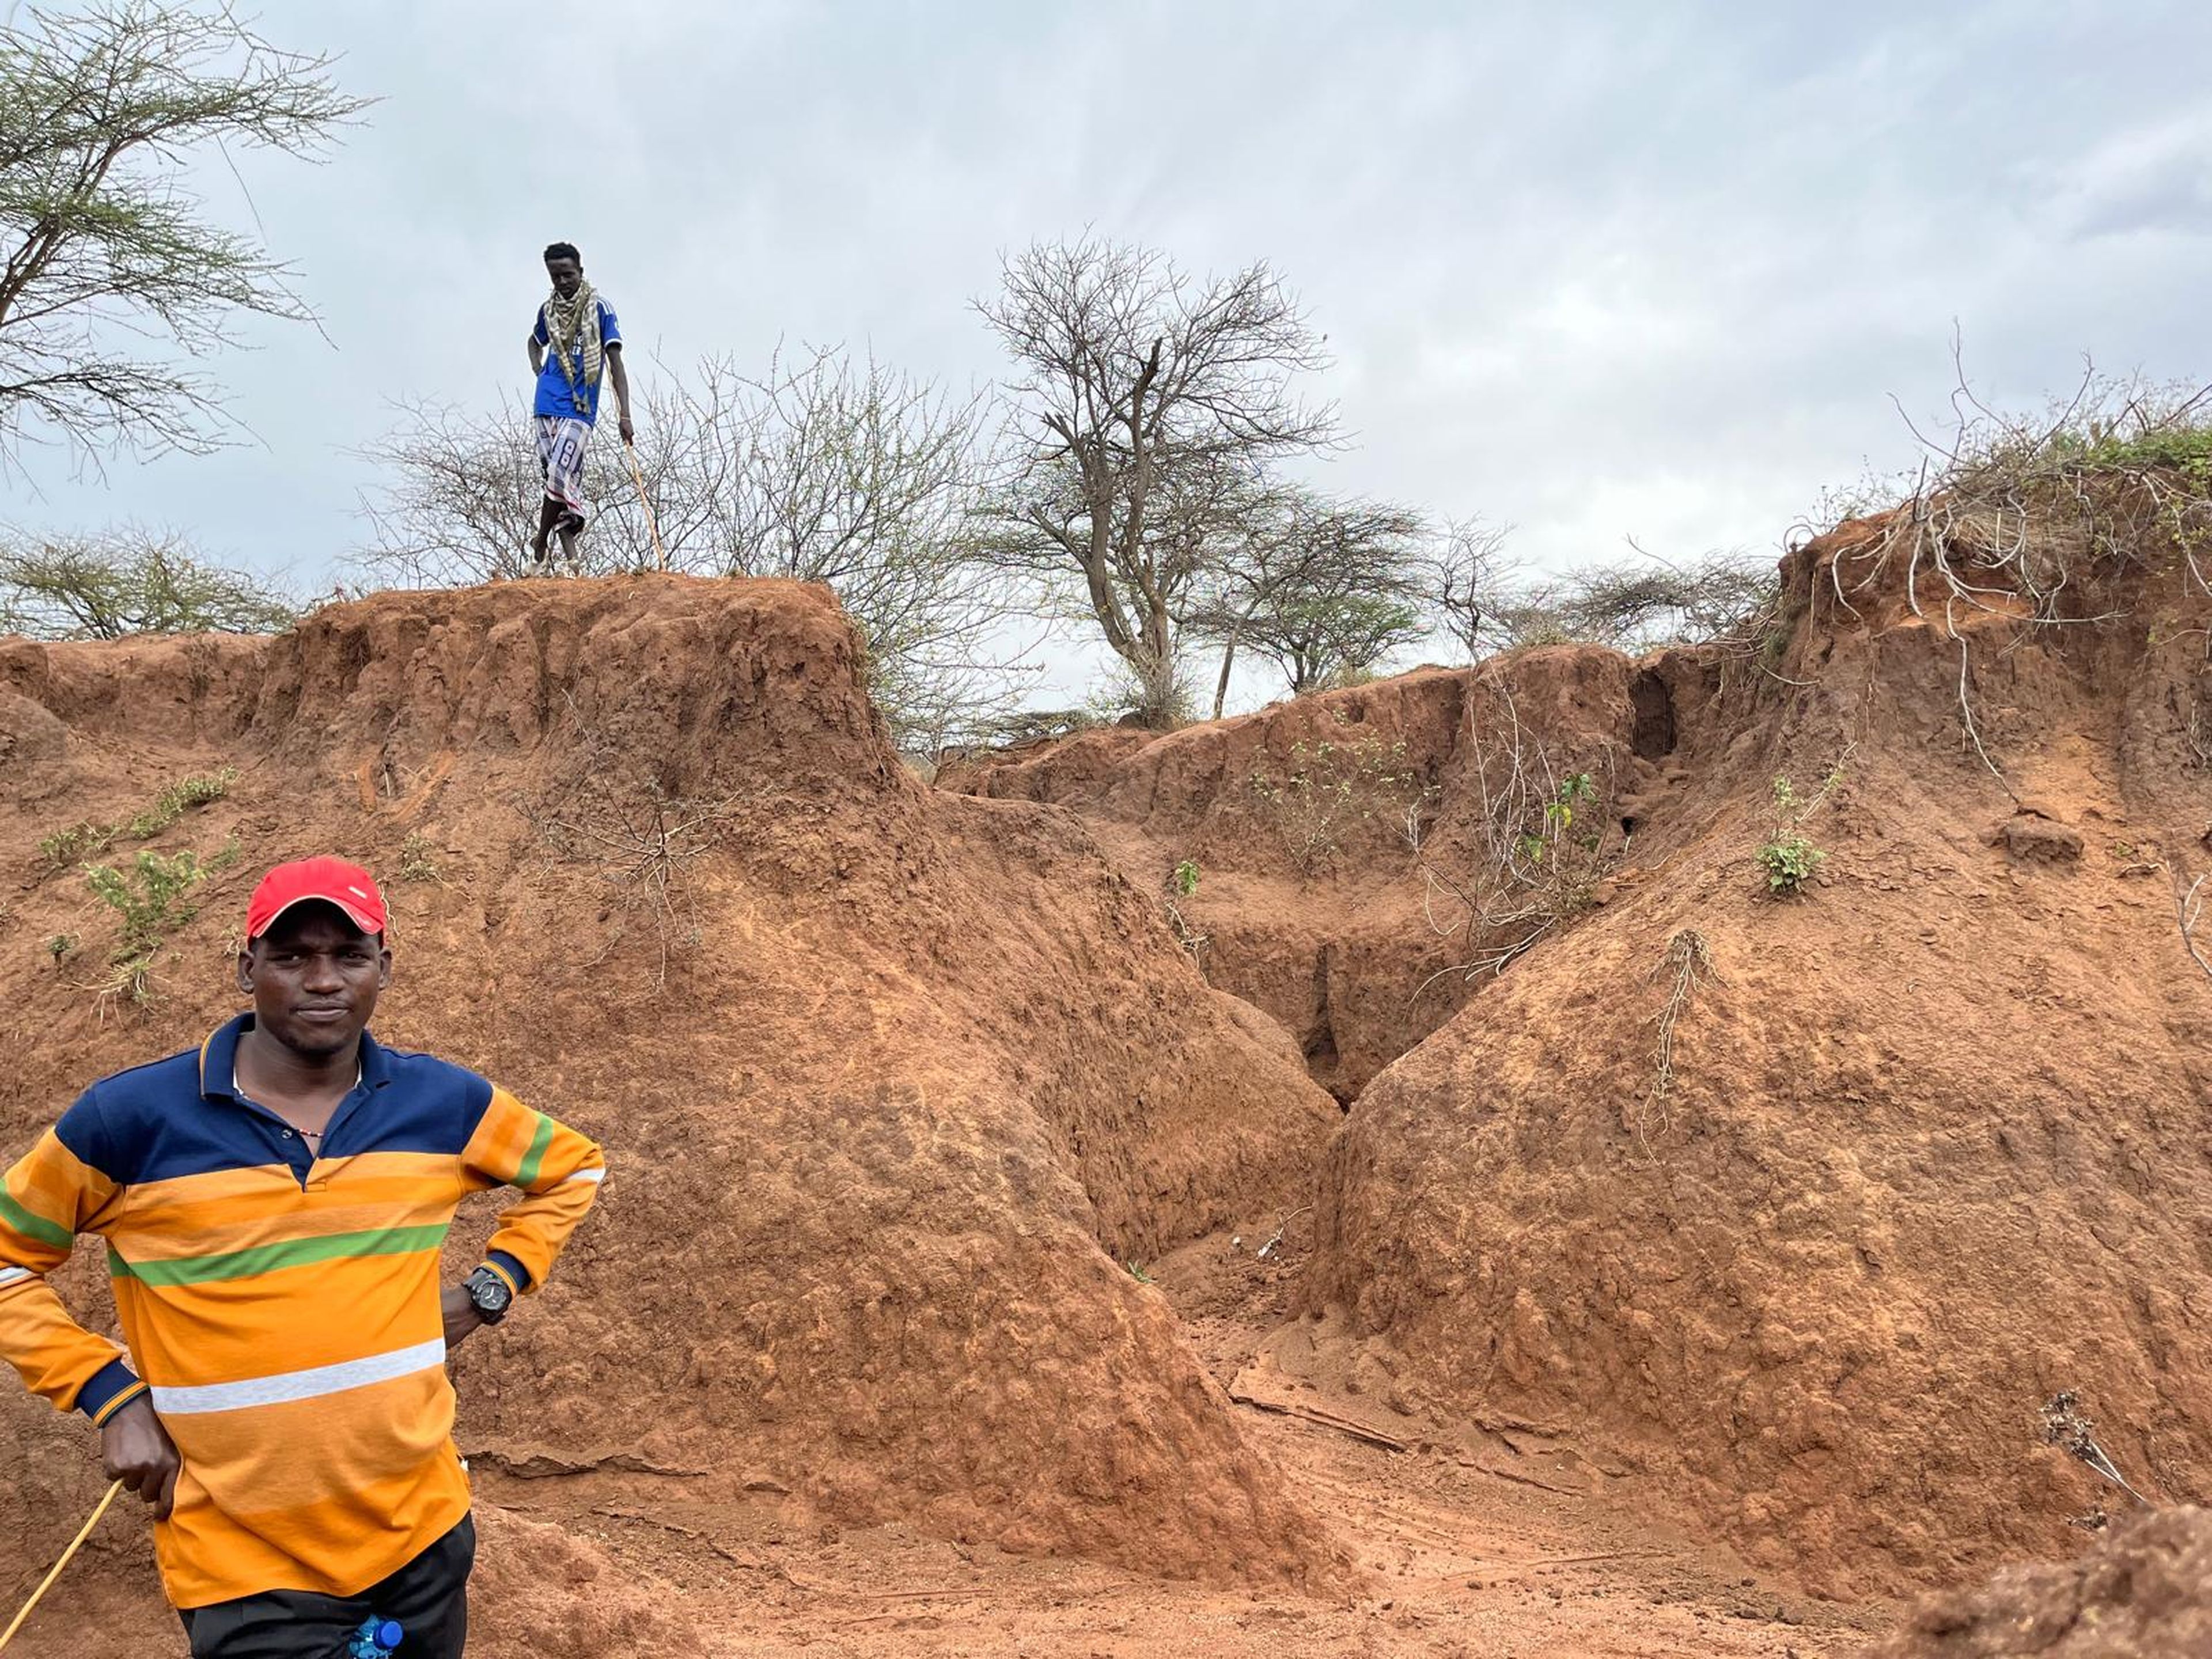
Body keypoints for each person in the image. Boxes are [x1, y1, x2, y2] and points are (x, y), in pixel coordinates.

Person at [0, 856, 607, 1657]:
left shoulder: (443, 1104)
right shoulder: (130, 1120)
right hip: (243, 1561)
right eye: (291, 957)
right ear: (247, 967)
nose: (323, 980)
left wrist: (490, 1288)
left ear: (383, 969)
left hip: (420, 1536)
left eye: (348, 956)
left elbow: (574, 1167)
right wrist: (111, 1395)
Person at [526, 240, 634, 573]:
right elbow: (533, 341)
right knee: (558, 481)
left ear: (581, 272)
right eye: (555, 276)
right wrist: (538, 368)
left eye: (568, 274)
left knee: (560, 472)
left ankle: (541, 541)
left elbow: (616, 363)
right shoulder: (548, 312)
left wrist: (625, 415)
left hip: (580, 407)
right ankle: (573, 563)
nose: (562, 282)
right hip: (546, 403)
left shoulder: (600, 309)